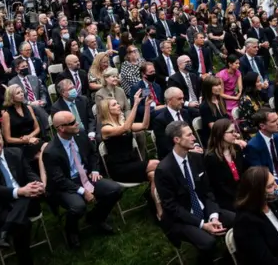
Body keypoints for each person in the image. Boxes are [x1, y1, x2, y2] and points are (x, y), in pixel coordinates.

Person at [155, 121, 234, 265]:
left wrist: (213, 216)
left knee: (238, 220)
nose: (194, 138)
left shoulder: (196, 158)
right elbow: (172, 207)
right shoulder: (163, 170)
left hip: (204, 208)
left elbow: (207, 191)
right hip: (182, 218)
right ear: (177, 140)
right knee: (208, 243)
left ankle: (228, 259)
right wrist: (202, 225)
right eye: (189, 135)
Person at [43, 111, 123, 248]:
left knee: (115, 190)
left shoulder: (80, 134)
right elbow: (59, 179)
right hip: (65, 185)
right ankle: (71, 231)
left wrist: (95, 170)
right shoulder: (51, 151)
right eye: (72, 122)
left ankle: (96, 218)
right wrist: (82, 191)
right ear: (61, 128)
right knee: (78, 206)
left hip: (86, 176)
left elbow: (93, 154)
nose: (77, 124)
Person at [0, 124, 44, 265]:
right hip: (0, 205)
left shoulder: (16, 153)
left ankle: (3, 232)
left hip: (25, 198)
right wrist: (20, 191)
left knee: (28, 196)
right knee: (22, 224)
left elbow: (29, 173)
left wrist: (37, 183)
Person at [233, 166, 278, 265]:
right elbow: (265, 260)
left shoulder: (275, 203)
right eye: (270, 186)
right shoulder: (245, 221)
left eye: (275, 182)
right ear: (257, 192)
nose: (277, 187)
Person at [99, 92, 160, 208]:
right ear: (107, 110)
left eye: (117, 103)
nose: (118, 105)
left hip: (132, 163)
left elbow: (144, 126)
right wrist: (135, 104)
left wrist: (147, 106)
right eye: (114, 105)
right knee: (156, 163)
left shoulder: (123, 123)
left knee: (153, 174)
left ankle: (158, 209)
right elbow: (125, 128)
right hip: (119, 168)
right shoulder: (106, 128)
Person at [204, 118, 247, 212]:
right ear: (221, 134)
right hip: (228, 200)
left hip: (243, 193)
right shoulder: (211, 158)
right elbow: (219, 187)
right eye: (231, 132)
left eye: (235, 131)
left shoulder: (236, 149)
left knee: (272, 196)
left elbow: (244, 172)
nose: (236, 134)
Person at [244, 109, 278, 188]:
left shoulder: (277, 137)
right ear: (262, 126)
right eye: (274, 121)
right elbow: (262, 177)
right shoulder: (253, 146)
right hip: (270, 186)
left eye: (277, 119)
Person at [0, 85, 44, 163]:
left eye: (21, 92)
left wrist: (30, 137)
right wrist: (26, 141)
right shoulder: (6, 114)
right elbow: (8, 139)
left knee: (47, 148)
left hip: (33, 140)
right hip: (19, 145)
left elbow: (37, 128)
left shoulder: (29, 108)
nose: (21, 94)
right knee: (40, 155)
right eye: (18, 93)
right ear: (11, 97)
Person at [198, 75, 228, 146]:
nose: (219, 87)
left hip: (225, 134)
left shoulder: (221, 101)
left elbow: (227, 120)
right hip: (214, 139)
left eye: (219, 84)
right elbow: (214, 128)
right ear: (208, 88)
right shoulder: (204, 106)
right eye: (216, 85)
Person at [238, 72, 264, 140]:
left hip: (260, 126)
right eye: (258, 82)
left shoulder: (255, 95)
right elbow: (246, 122)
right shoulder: (246, 101)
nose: (260, 83)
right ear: (252, 84)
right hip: (252, 132)